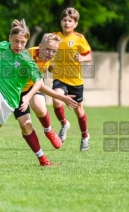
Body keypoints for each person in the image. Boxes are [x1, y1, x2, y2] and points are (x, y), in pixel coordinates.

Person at [0, 20, 77, 166]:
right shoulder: (26, 55)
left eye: (54, 51)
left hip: (23, 92)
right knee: (20, 123)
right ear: (39, 46)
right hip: (11, 90)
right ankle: (43, 159)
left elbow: (39, 82)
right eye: (48, 49)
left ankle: (48, 131)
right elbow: (3, 53)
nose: (50, 54)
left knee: (38, 109)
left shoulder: (44, 58)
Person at [51, 7, 92, 151]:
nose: (67, 23)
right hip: (59, 77)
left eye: (70, 21)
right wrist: (49, 65)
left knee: (79, 110)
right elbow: (48, 52)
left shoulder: (79, 39)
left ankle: (85, 136)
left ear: (75, 24)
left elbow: (89, 56)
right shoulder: (54, 36)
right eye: (64, 20)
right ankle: (64, 124)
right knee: (56, 99)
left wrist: (82, 57)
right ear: (61, 22)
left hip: (75, 80)